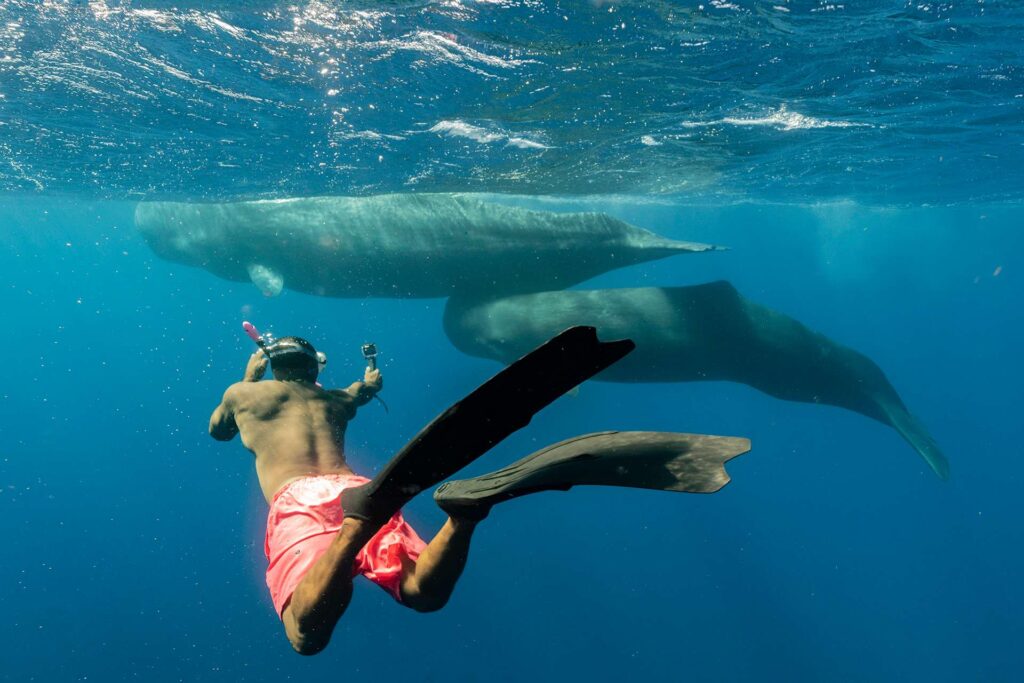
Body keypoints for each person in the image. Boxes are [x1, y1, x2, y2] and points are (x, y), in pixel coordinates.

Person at [209, 329, 637, 655]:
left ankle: (354, 530)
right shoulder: (336, 401)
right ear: (314, 369)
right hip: (355, 487)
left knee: (304, 635)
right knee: (422, 594)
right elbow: (365, 390)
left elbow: (219, 431)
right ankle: (462, 517)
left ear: (273, 363)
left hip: (300, 500)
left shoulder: (243, 394)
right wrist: (370, 380)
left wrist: (248, 376)